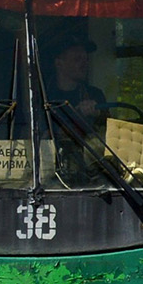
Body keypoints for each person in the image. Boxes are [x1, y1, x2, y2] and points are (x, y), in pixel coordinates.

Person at [42, 33, 109, 179]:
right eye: (77, 59)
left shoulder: (94, 94)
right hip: (49, 174)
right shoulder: (42, 97)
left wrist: (98, 114)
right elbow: (39, 134)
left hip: (90, 174)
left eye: (85, 59)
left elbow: (111, 131)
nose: (84, 63)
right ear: (59, 63)